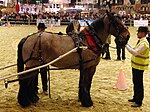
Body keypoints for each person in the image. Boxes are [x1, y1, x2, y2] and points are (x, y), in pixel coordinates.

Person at [125, 26, 149, 107]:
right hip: (136, 65)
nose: (137, 34)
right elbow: (133, 48)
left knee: (139, 83)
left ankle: (139, 101)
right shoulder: (140, 41)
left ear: (143, 33)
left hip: (140, 66)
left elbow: (135, 52)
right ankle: (135, 97)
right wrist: (127, 43)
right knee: (135, 82)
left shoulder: (144, 44)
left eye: (138, 32)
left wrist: (125, 45)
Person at [34, 23, 48, 95]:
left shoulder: (33, 36)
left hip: (35, 59)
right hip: (42, 59)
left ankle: (36, 89)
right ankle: (44, 89)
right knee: (43, 74)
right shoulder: (45, 38)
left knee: (35, 74)